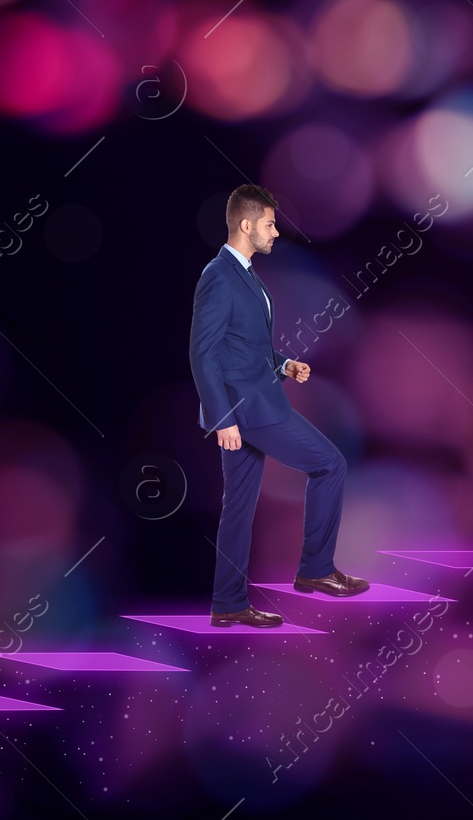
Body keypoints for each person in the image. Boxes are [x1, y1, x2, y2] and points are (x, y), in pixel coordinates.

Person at [189, 184, 369, 627]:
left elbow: (242, 348)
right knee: (329, 464)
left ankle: (228, 604)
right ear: (246, 225)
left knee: (238, 507)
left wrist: (284, 364)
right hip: (249, 411)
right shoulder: (219, 276)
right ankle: (316, 571)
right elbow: (203, 352)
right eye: (269, 223)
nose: (275, 232)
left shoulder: (246, 274)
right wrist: (223, 418)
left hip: (255, 400)